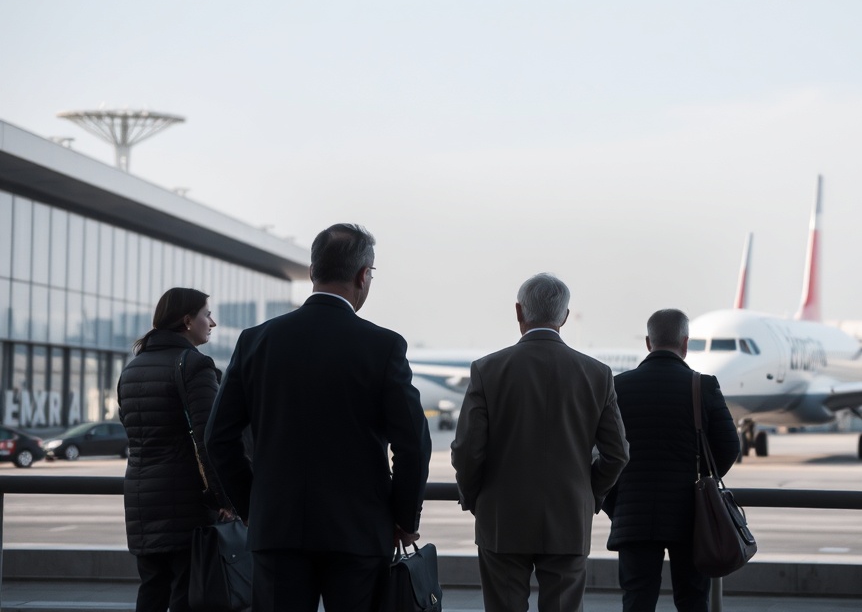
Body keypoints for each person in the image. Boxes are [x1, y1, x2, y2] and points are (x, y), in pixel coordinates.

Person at [204, 223, 431, 612]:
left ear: (312, 272)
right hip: (359, 531)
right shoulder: (383, 346)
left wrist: (255, 505)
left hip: (277, 529)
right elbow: (413, 444)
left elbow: (218, 438)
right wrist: (403, 517)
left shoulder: (256, 341)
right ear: (363, 276)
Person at [451, 272, 630, 612]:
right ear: (564, 316)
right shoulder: (597, 374)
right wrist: (590, 492)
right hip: (568, 518)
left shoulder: (487, 370)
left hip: (501, 517)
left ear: (519, 312)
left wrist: (475, 497)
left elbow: (467, 450)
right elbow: (617, 453)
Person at [603, 309, 740, 612]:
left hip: (633, 515)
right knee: (692, 600)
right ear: (685, 343)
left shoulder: (618, 387)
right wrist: (701, 482)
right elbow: (730, 446)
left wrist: (616, 503)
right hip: (690, 515)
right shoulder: (702, 386)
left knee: (637, 600)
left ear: (648, 342)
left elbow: (601, 453)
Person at [118, 287, 234, 612]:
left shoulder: (132, 369)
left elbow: (134, 431)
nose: (212, 322)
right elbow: (208, 438)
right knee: (187, 593)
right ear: (187, 320)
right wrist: (227, 499)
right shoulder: (194, 365)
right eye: (206, 314)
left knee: (152, 591)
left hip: (142, 502)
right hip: (185, 504)